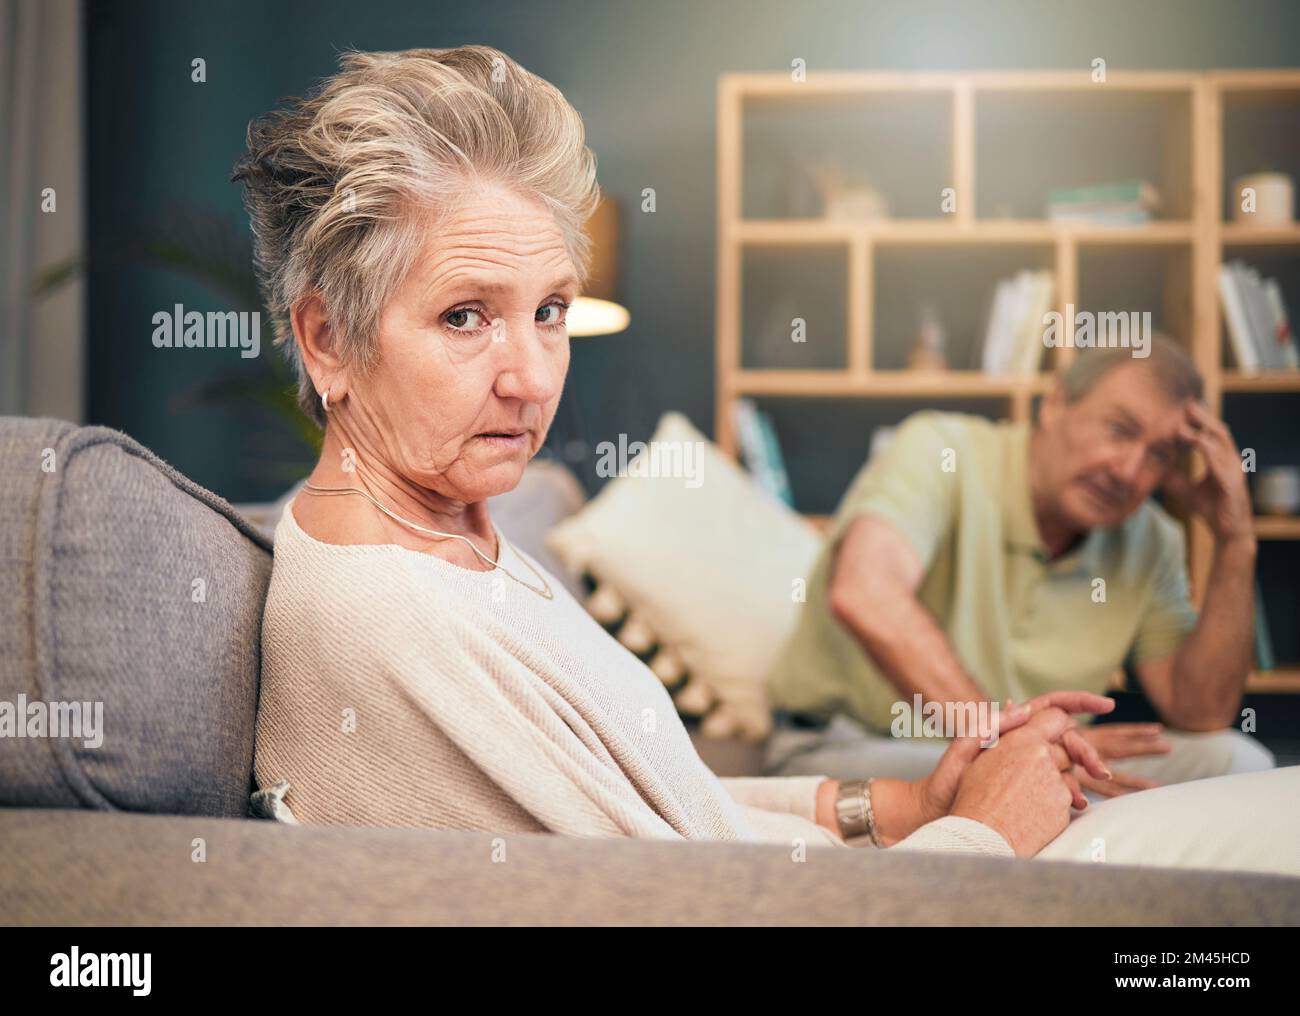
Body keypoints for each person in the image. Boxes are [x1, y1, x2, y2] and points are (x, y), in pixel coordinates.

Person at [234, 44, 1113, 860]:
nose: (534, 378)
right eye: (466, 316)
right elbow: (692, 909)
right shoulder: (390, 615)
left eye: (550, 311)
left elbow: (656, 803)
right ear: (328, 341)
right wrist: (985, 838)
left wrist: (901, 808)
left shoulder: (450, 544)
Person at [763, 337, 1275, 798]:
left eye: (1159, 456)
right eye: (1119, 429)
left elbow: (1199, 711)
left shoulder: (1152, 538)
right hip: (857, 744)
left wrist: (1236, 541)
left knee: (1239, 765)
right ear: (1054, 404)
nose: (1128, 471)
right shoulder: (941, 450)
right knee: (1034, 797)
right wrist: (1009, 743)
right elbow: (864, 593)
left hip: (1042, 757)